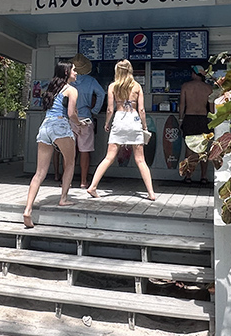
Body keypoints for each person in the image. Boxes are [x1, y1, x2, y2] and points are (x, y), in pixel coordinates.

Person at [85, 60, 156, 201]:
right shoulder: (137, 86)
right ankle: (151, 193)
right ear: (130, 70)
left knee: (109, 157)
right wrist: (144, 126)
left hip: (119, 120)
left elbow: (110, 109)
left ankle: (93, 186)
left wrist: (107, 123)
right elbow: (141, 109)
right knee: (141, 160)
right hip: (134, 120)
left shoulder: (113, 86)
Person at [23, 60, 83, 228]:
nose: (76, 72)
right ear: (66, 73)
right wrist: (79, 123)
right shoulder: (72, 90)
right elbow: (71, 114)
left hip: (45, 127)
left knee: (39, 172)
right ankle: (63, 199)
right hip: (60, 126)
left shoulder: (52, 88)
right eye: (73, 70)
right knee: (70, 163)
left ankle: (28, 210)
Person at [70, 53, 105, 188]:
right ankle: (83, 181)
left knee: (70, 151)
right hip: (86, 118)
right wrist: (95, 110)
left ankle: (67, 180)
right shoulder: (91, 81)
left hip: (71, 118)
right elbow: (101, 94)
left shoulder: (69, 80)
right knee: (85, 151)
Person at [179, 65, 215, 184]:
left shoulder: (185, 86)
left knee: (189, 148)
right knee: (203, 150)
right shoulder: (208, 88)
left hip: (189, 118)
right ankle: (203, 177)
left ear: (194, 74)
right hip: (203, 119)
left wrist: (180, 119)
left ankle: (188, 176)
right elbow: (212, 110)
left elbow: (182, 105)